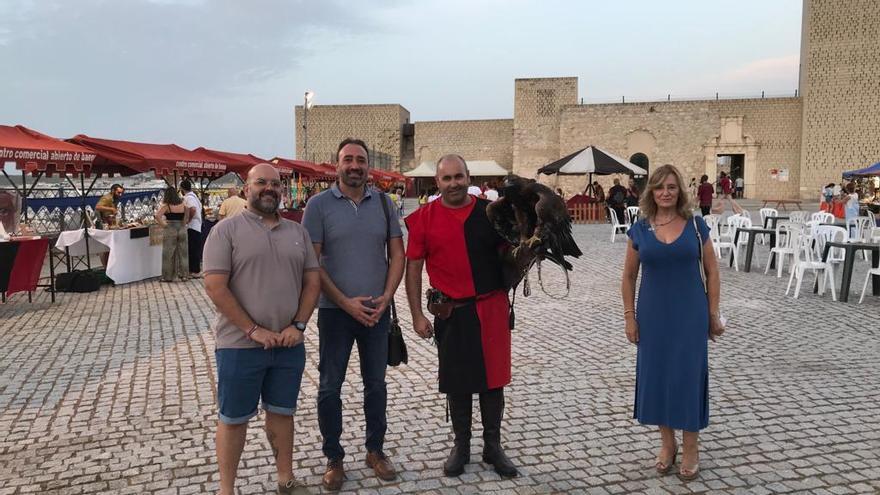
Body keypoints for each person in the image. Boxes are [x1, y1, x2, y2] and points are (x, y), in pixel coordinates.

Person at [203, 163, 321, 495]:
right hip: (239, 345)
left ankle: (285, 478)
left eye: (275, 184)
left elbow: (313, 282)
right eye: (261, 183)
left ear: (282, 191)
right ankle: (227, 490)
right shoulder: (225, 231)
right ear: (246, 189)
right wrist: (252, 329)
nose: (269, 188)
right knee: (233, 418)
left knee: (282, 413)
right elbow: (215, 286)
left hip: (287, 344)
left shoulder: (297, 232)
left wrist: (298, 325)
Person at [404, 154, 520, 479]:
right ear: (437, 183)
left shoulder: (491, 213)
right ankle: (462, 446)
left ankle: (493, 446)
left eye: (459, 177)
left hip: (492, 306)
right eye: (447, 178)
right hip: (451, 312)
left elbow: (512, 253)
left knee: (493, 381)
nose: (453, 183)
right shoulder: (424, 218)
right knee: (457, 382)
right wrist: (416, 314)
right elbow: (413, 268)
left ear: (468, 177)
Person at [302, 138, 405, 492]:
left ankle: (375, 450)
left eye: (361, 160)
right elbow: (311, 263)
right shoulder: (317, 206)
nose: (355, 166)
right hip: (335, 313)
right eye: (348, 159)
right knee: (330, 387)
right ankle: (334, 457)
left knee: (376, 385)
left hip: (377, 313)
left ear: (368, 166)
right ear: (337, 165)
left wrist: (388, 297)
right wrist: (345, 302)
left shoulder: (385, 203)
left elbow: (398, 254)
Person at [621, 164, 725, 482]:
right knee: (658, 378)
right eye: (659, 187)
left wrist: (713, 314)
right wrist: (629, 317)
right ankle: (667, 444)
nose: (666, 192)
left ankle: (691, 447)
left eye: (671, 187)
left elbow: (712, 271)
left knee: (688, 378)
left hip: (690, 315)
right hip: (652, 317)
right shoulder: (640, 229)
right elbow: (627, 277)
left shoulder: (695, 225)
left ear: (679, 190)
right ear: (651, 191)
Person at [154, 187, 190, 282]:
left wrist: (164, 225)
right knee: (184, 253)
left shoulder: (166, 205)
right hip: (182, 229)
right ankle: (185, 275)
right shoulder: (183, 203)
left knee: (168, 253)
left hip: (170, 228)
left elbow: (157, 216)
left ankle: (167, 276)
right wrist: (184, 223)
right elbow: (187, 214)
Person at [180, 179, 203, 277]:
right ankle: (193, 270)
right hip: (196, 225)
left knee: (192, 249)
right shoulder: (194, 196)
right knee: (194, 248)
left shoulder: (188, 198)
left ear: (182, 188)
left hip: (192, 226)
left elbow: (192, 209)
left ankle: (195, 271)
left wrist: (187, 220)